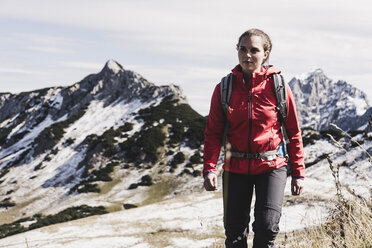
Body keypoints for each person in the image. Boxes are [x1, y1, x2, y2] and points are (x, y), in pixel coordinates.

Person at [203, 28, 305, 248]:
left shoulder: (278, 86)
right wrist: (210, 168)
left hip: (271, 166)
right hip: (235, 168)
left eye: (254, 50)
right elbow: (212, 133)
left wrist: (299, 173)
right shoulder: (224, 88)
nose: (247, 55)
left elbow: (293, 132)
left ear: (265, 54)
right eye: (242, 49)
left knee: (267, 228)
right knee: (235, 235)